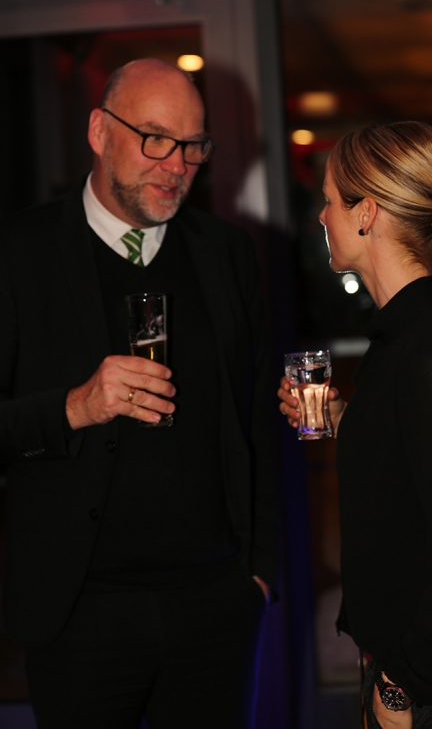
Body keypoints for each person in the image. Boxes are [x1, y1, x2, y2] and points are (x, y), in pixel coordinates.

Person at [0, 58, 279, 729]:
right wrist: (76, 407)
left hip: (215, 604)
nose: (176, 164)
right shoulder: (18, 253)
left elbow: (258, 426)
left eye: (193, 145)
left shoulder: (227, 251)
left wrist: (259, 575)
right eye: (155, 138)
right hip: (80, 610)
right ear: (99, 131)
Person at [279, 121, 432, 729]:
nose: (321, 217)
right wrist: (346, 419)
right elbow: (422, 464)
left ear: (366, 213)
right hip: (421, 669)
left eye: (330, 200)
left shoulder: (428, 347)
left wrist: (401, 686)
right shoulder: (407, 333)